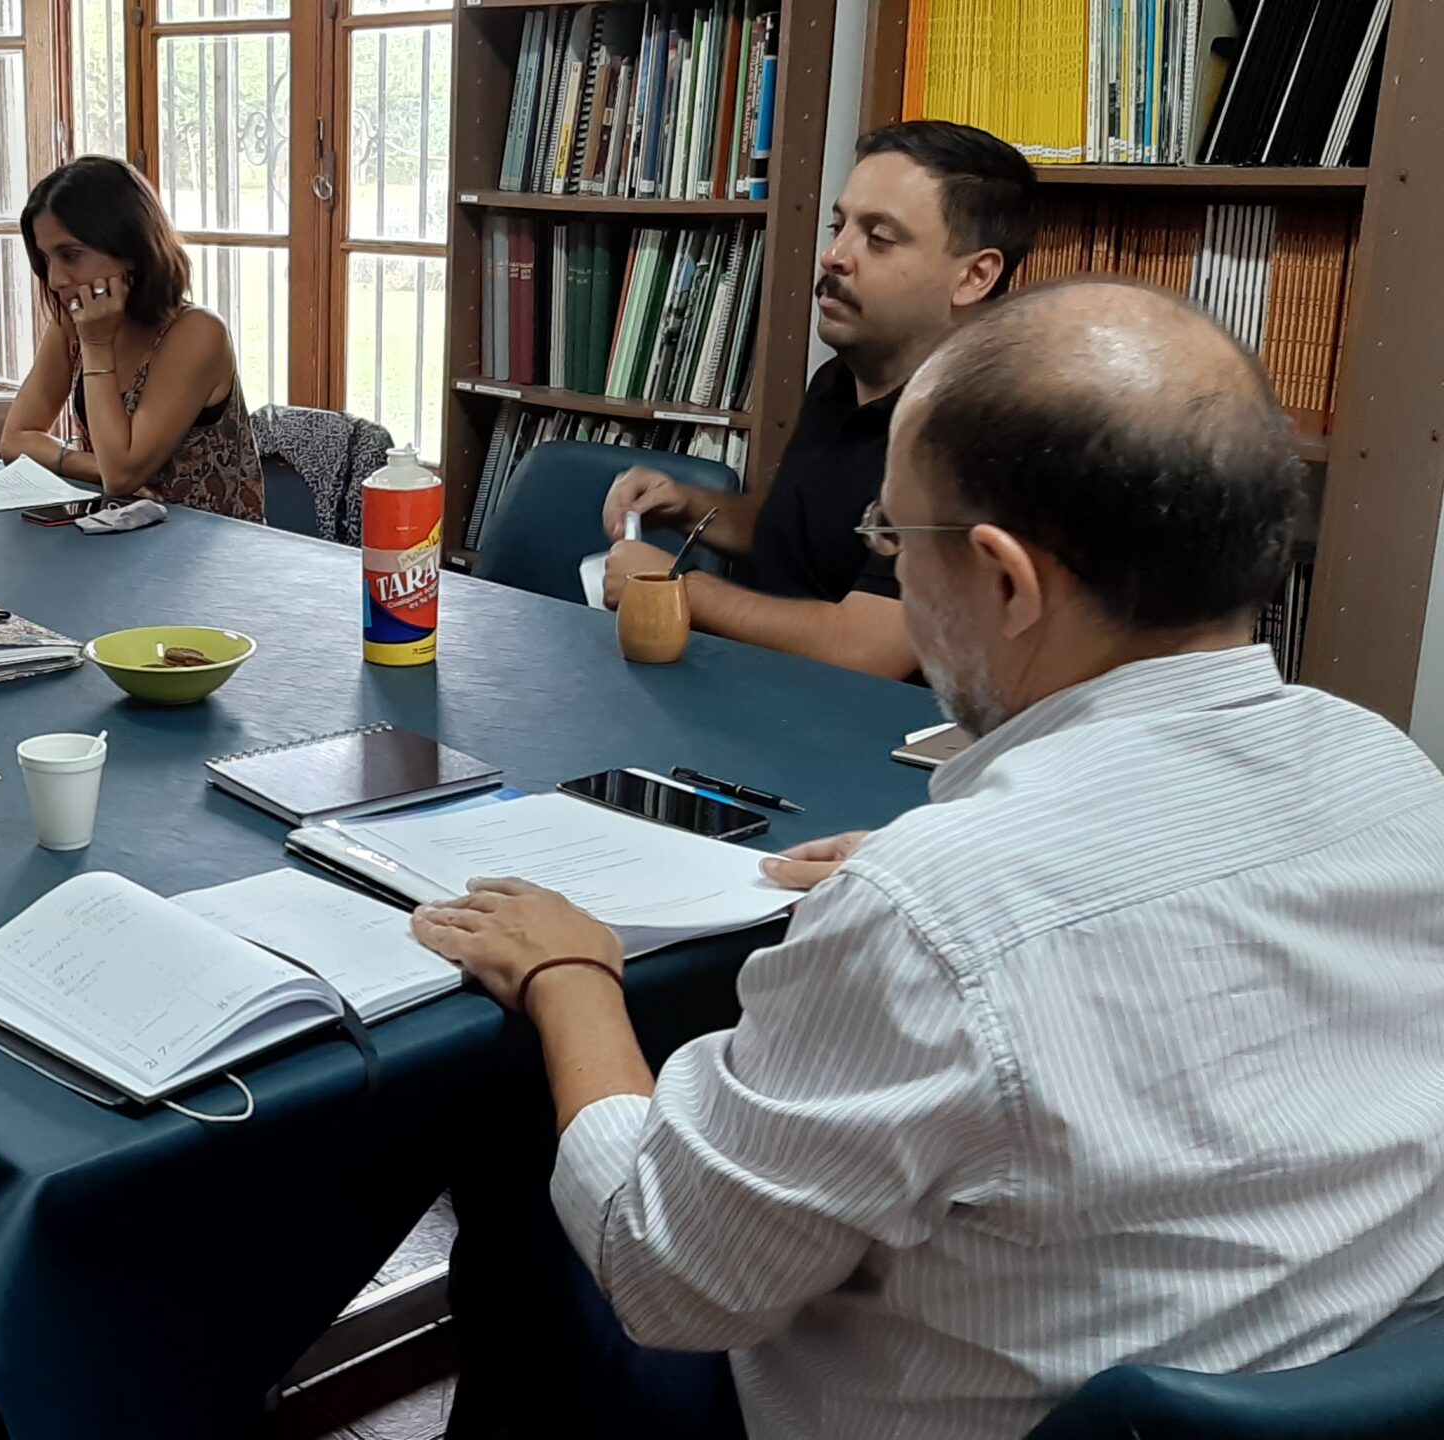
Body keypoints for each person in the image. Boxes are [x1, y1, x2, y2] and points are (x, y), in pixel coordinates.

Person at [425, 281, 1444, 1439]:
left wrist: (571, 980)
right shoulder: (1396, 780)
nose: (891, 573)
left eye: (892, 538)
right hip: (1317, 1383)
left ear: (1006, 581)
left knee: (519, 1125)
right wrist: (939, 871)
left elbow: (665, 1276)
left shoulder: (929, 916)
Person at [598, 122, 1038, 680]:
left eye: (878, 239)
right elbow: (808, 540)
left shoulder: (984, 432)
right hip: (768, 703)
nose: (834, 255)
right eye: (839, 226)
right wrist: (688, 509)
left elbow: (868, 649)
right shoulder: (840, 379)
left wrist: (676, 589)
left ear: (975, 275)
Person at [0, 156, 266, 523]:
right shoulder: (71, 322)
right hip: (115, 531)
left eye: (71, 255)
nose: (56, 278)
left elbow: (122, 474)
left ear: (131, 251)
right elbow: (15, 440)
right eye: (46, 259)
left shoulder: (197, 333)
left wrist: (95, 347)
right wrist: (92, 467)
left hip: (206, 551)